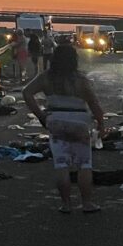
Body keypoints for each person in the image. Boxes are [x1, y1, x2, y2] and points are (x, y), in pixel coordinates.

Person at [23, 45, 105, 213]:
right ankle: (87, 203)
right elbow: (94, 104)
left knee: (61, 165)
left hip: (56, 122)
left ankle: (66, 204)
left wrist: (41, 115)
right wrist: (101, 124)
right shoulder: (80, 80)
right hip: (80, 123)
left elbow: (27, 93)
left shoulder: (46, 77)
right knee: (84, 164)